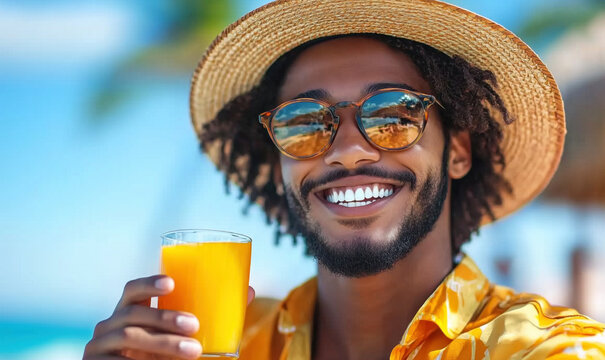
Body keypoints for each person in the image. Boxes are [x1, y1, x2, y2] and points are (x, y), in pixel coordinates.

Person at [83, 1, 605, 359]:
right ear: (278, 162)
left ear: (459, 152)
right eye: (304, 122)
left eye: (394, 114)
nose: (349, 151)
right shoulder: (226, 344)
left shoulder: (543, 348)